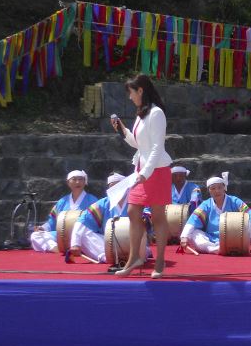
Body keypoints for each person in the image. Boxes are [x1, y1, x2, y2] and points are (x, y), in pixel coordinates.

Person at [111, 74, 173, 278]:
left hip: (156, 170)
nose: (130, 97)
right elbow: (141, 145)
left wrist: (146, 173)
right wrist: (123, 131)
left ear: (140, 91)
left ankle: (160, 261)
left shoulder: (156, 114)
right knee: (132, 211)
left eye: (131, 93)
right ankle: (134, 259)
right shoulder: (142, 114)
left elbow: (157, 147)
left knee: (157, 216)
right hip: (143, 171)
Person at [70, 173, 148, 264]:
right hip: (109, 244)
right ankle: (107, 256)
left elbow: (147, 216)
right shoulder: (104, 203)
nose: (115, 189)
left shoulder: (136, 200)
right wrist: (75, 244)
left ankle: (133, 256)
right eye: (112, 186)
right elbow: (82, 221)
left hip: (134, 243)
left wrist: (143, 220)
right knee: (84, 235)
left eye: (118, 185)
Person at [179, 176, 251, 254]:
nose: (217, 191)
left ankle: (218, 248)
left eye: (219, 187)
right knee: (194, 233)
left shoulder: (235, 201)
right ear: (209, 191)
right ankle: (214, 249)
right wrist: (184, 237)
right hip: (211, 238)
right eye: (213, 188)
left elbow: (249, 215)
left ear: (224, 188)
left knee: (246, 225)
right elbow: (193, 219)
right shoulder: (206, 205)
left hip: (233, 237)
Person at [30, 170, 97, 252]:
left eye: (81, 179)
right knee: (36, 236)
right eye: (74, 179)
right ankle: (58, 250)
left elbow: (96, 223)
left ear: (85, 182)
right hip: (62, 236)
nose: (77, 182)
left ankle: (73, 248)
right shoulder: (62, 202)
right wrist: (43, 228)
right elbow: (52, 221)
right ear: (68, 182)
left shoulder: (93, 201)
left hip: (81, 236)